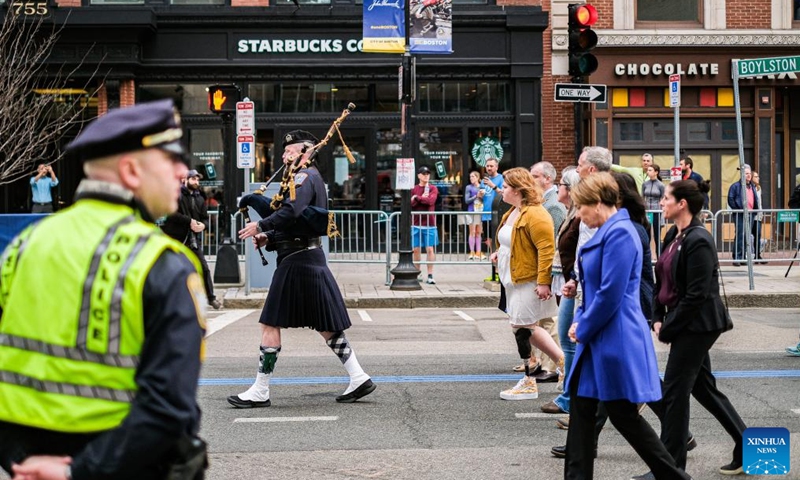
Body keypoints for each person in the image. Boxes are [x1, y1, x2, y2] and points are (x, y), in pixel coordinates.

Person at [0, 99, 208, 480]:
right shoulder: (161, 261)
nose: (182, 172)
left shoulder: (23, 246)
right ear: (131, 171)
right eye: (171, 160)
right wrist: (75, 473)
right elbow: (169, 408)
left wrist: (19, 461)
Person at [229, 130, 375, 408]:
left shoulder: (305, 177)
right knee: (326, 325)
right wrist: (269, 237)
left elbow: (291, 212)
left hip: (299, 261)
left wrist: (260, 225)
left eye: (289, 151)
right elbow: (298, 224)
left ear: (305, 151)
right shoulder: (302, 178)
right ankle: (358, 376)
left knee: (270, 322)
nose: (284, 156)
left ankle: (261, 390)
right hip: (306, 257)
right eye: (284, 152)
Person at [562, 172, 689, 480]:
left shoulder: (620, 232)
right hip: (602, 336)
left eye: (581, 207)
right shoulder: (612, 229)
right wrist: (582, 320)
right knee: (583, 411)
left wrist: (583, 326)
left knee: (622, 415)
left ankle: (674, 476)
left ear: (597, 203)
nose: (579, 214)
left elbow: (610, 293)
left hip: (613, 336)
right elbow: (596, 289)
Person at [648, 179, 747, 477]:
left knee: (675, 392)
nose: (661, 203)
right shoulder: (672, 235)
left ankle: (671, 467)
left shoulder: (699, 240)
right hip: (683, 321)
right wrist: (656, 314)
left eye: (666, 198)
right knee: (703, 388)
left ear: (682, 204)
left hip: (699, 324)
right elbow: (661, 279)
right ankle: (746, 445)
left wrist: (668, 328)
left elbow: (697, 295)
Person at [489, 167, 563, 401]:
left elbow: (546, 249)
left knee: (523, 328)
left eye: (507, 186)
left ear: (519, 191)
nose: (503, 189)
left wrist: (543, 282)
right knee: (522, 327)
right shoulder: (515, 211)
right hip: (513, 278)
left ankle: (533, 379)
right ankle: (562, 365)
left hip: (527, 279)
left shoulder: (536, 213)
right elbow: (513, 241)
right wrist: (499, 253)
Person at [540, 167, 581, 416]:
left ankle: (570, 396)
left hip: (575, 285)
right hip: (569, 283)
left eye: (563, 186)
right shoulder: (570, 214)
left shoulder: (577, 218)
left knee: (570, 343)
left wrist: (574, 279)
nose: (559, 190)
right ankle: (569, 394)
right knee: (567, 341)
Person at [523, 160, 567, 381]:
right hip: (540, 270)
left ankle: (554, 366)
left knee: (549, 320)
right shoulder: (542, 202)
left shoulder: (553, 206)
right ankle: (543, 362)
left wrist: (545, 276)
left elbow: (552, 244)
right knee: (541, 320)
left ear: (547, 179)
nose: (530, 180)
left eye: (534, 176)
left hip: (550, 270)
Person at [161, 169, 223, 310]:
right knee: (173, 269)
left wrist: (203, 226)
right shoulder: (176, 195)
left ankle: (211, 298)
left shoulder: (200, 198)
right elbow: (171, 213)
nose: (196, 182)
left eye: (197, 179)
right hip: (175, 238)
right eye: (193, 179)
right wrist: (189, 221)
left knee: (204, 268)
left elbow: (205, 219)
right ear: (185, 180)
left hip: (192, 239)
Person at [727, 164, 760, 266]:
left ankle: (742, 257)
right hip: (740, 214)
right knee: (740, 235)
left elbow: (755, 199)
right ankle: (737, 257)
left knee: (746, 236)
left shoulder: (752, 186)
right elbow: (731, 199)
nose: (748, 176)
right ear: (741, 174)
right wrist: (738, 210)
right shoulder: (735, 186)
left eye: (749, 173)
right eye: (746, 174)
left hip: (750, 214)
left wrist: (755, 211)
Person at [411, 165, 440, 284]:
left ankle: (430, 274)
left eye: (428, 173)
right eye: (423, 174)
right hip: (416, 222)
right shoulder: (413, 188)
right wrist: (419, 198)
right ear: (418, 176)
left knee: (429, 249)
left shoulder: (433, 188)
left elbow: (431, 201)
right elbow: (410, 205)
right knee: (416, 250)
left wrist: (417, 198)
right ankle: (418, 273)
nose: (426, 175)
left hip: (430, 223)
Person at [481, 157, 505, 279]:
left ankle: (498, 271)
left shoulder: (501, 178)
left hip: (497, 215)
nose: (489, 168)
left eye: (491, 166)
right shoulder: (484, 180)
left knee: (497, 242)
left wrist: (493, 186)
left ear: (496, 167)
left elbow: (504, 194)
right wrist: (479, 195)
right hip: (485, 214)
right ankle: (494, 270)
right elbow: (482, 197)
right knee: (489, 242)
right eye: (487, 166)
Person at [643, 163, 666, 255]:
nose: (648, 172)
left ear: (656, 172)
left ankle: (659, 256)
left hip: (657, 211)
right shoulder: (645, 184)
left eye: (650, 170)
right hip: (648, 211)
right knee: (647, 235)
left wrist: (663, 213)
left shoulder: (660, 185)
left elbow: (663, 198)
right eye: (648, 170)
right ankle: (646, 256)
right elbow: (642, 197)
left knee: (657, 235)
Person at [463, 170, 485, 260]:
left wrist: (482, 196)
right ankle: (471, 252)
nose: (471, 178)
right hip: (471, 211)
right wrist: (476, 196)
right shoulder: (469, 187)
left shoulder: (482, 187)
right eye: (470, 177)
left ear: (478, 178)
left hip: (480, 211)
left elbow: (486, 200)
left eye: (473, 176)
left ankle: (478, 252)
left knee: (478, 232)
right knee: (472, 232)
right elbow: (466, 200)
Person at [751, 170, 765, 263]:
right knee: (747, 235)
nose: (758, 178)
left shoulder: (759, 188)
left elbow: (759, 203)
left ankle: (757, 255)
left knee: (758, 235)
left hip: (758, 215)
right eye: (756, 176)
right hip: (751, 215)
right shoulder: (750, 188)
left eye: (758, 176)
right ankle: (743, 255)